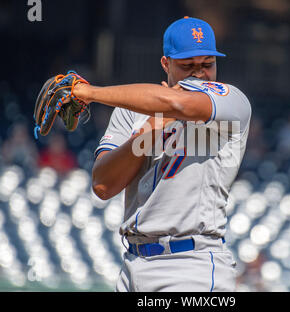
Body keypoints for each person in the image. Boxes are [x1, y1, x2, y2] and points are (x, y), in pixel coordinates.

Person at [72, 16, 252, 292]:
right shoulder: (130, 111)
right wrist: (147, 134)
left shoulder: (231, 101)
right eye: (187, 66)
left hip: (191, 265)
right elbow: (103, 185)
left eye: (207, 64)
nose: (200, 74)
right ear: (166, 64)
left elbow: (177, 103)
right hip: (132, 263)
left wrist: (91, 93)